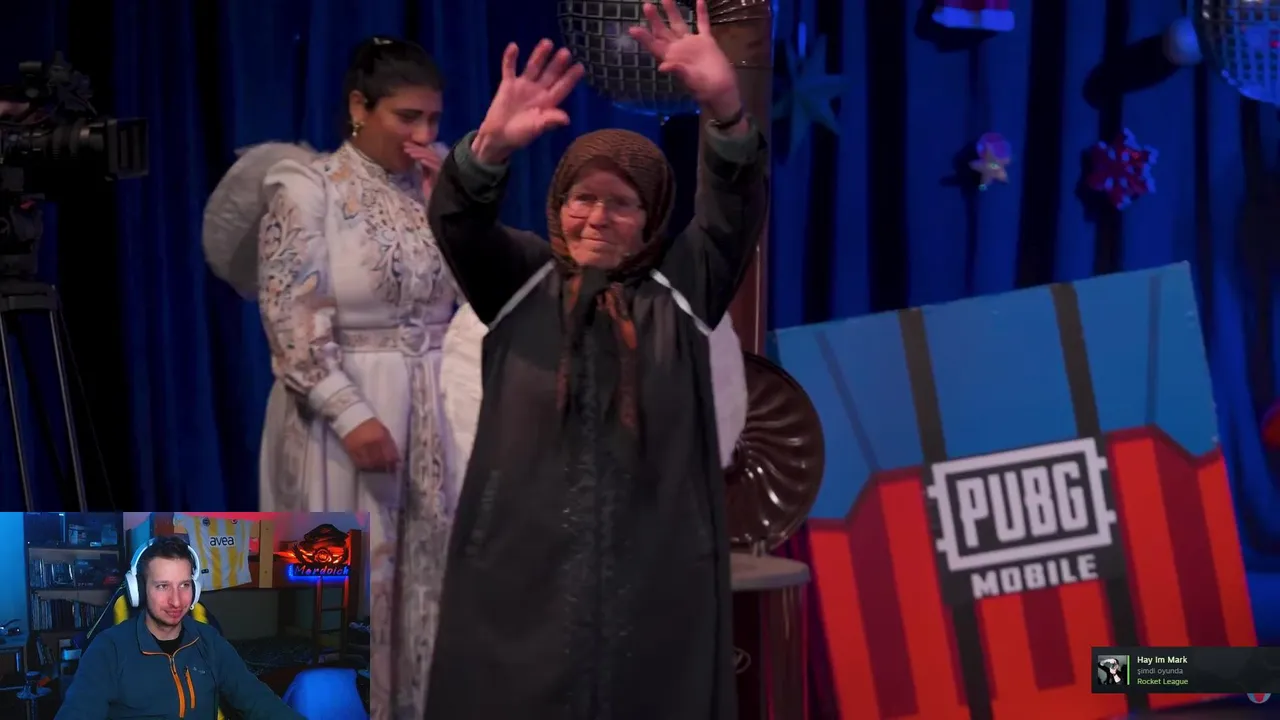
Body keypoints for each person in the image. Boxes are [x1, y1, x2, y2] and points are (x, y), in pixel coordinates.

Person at [422, 0, 768, 716]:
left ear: (652, 216)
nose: (598, 218)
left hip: (653, 576)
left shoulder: (684, 285)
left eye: (623, 203)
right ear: (558, 203)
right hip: (523, 574)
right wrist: (488, 148)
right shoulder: (517, 280)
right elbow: (457, 220)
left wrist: (725, 108)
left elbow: (734, 210)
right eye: (582, 198)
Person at [255, 36, 455, 719]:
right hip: (344, 416)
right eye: (407, 117)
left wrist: (451, 208)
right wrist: (349, 412)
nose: (423, 134)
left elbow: (473, 299)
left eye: (434, 118)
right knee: (345, 594)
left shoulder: (437, 183)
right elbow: (288, 311)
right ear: (359, 108)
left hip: (436, 414)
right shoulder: (307, 188)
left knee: (431, 592)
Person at [54, 536, 303, 720]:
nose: (176, 601)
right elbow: (78, 712)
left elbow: (256, 699)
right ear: (138, 590)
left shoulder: (209, 641)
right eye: (162, 586)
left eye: (184, 585)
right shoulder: (108, 649)